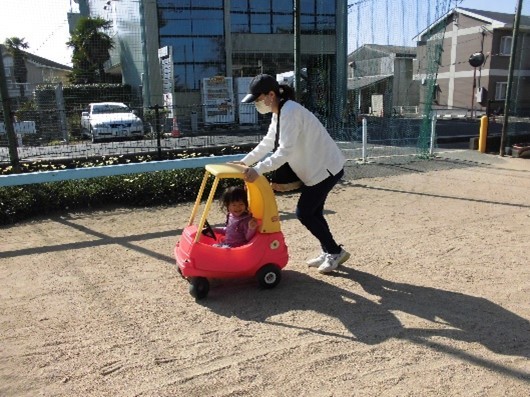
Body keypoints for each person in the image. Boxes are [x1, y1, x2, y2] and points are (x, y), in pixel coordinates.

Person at [234, 73, 350, 273]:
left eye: (259, 99)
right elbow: (269, 142)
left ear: (271, 95)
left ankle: (334, 251)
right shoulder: (280, 112)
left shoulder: (290, 112)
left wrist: (257, 169)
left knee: (304, 213)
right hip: (319, 169)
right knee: (313, 212)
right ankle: (330, 250)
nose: (258, 104)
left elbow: (284, 151)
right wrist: (244, 162)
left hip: (325, 169)